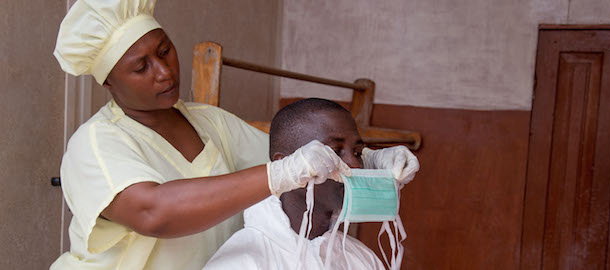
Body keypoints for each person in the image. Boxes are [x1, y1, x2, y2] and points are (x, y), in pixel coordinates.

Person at [51, 0, 419, 269]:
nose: (164, 71)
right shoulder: (95, 145)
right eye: (141, 67)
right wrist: (281, 174)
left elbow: (297, 158)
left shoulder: (207, 121)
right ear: (110, 82)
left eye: (165, 50)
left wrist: (367, 159)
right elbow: (154, 212)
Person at [203, 98, 396, 269]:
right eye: (335, 152)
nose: (355, 165)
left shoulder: (360, 258)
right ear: (287, 164)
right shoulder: (242, 262)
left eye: (357, 152)